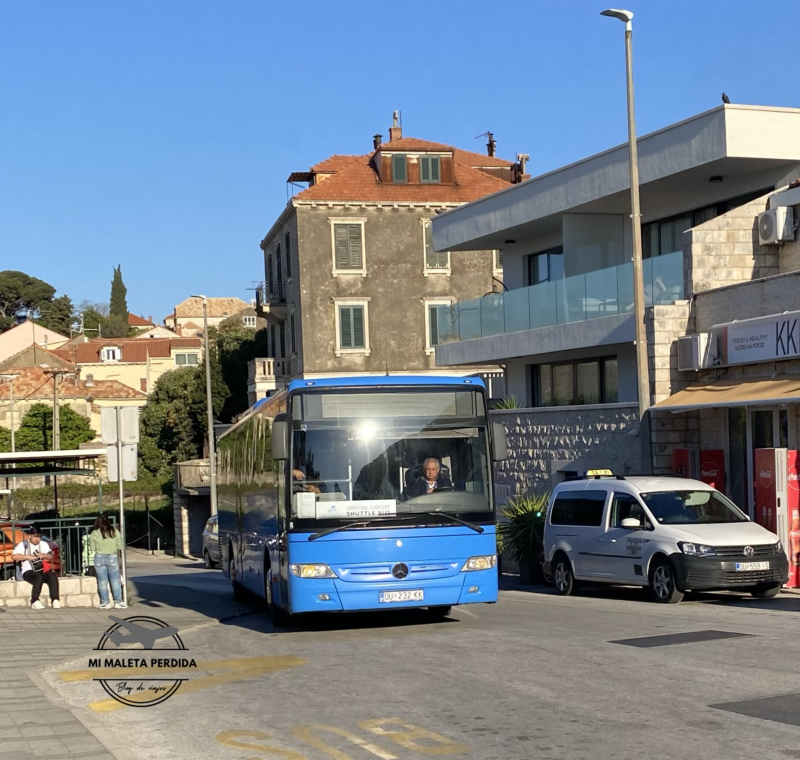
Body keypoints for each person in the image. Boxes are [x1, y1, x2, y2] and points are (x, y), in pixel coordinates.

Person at [11, 525, 60, 610]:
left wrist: (43, 555)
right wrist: (27, 557)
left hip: (41, 569)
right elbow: (14, 556)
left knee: (52, 576)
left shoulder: (43, 544)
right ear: (30, 536)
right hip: (28, 571)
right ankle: (34, 601)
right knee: (38, 577)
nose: (37, 539)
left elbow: (50, 556)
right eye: (35, 537)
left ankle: (55, 599)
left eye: (39, 537)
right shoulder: (23, 544)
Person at [89, 515, 127, 610]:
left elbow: (92, 547)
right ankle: (118, 601)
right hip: (112, 556)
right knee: (115, 580)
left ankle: (105, 602)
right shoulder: (114, 531)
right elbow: (120, 545)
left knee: (102, 581)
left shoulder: (95, 533)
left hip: (99, 556)